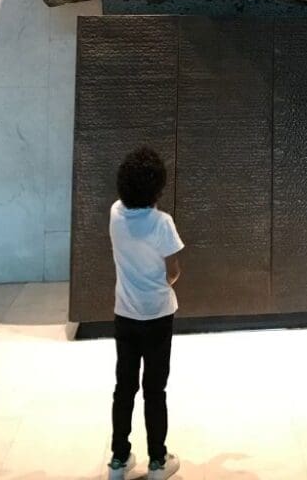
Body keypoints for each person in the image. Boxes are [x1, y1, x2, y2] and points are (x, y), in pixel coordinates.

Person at [107, 146, 184, 480]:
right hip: (157, 315)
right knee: (155, 388)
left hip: (124, 313)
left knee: (124, 387)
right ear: (157, 188)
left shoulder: (115, 214)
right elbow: (174, 270)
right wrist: (165, 281)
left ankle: (119, 460)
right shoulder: (162, 223)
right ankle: (157, 461)